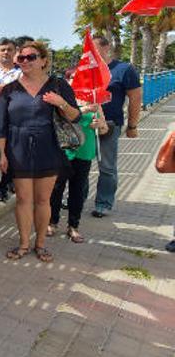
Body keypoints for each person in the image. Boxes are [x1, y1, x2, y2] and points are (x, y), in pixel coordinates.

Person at [0, 41, 80, 263]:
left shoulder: (59, 85)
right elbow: (1, 126)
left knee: (43, 200)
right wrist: (2, 154)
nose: (25, 61)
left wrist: (60, 103)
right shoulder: (9, 90)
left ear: (43, 60)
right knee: (23, 199)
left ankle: (40, 244)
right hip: (18, 148)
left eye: (30, 57)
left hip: (49, 146)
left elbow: (75, 116)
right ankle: (24, 243)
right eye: (21, 58)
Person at [91, 34, 141, 218]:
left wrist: (132, 125)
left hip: (110, 125)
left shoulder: (124, 69)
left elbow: (135, 98)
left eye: (94, 48)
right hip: (84, 124)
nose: (90, 53)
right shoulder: (84, 70)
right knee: (78, 165)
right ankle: (75, 199)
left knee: (107, 167)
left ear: (106, 48)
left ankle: (103, 203)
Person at [49, 91, 108, 243]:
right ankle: (52, 222)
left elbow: (104, 130)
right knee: (56, 188)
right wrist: (85, 109)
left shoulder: (95, 102)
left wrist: (99, 124)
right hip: (64, 150)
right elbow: (61, 117)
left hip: (84, 151)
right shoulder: (66, 99)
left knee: (78, 190)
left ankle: (73, 226)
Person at [0, 38, 19, 202]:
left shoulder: (21, 73)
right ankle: (0, 187)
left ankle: (10, 183)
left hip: (14, 119)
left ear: (15, 52)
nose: (6, 53)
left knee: (11, 152)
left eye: (9, 49)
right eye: (3, 49)